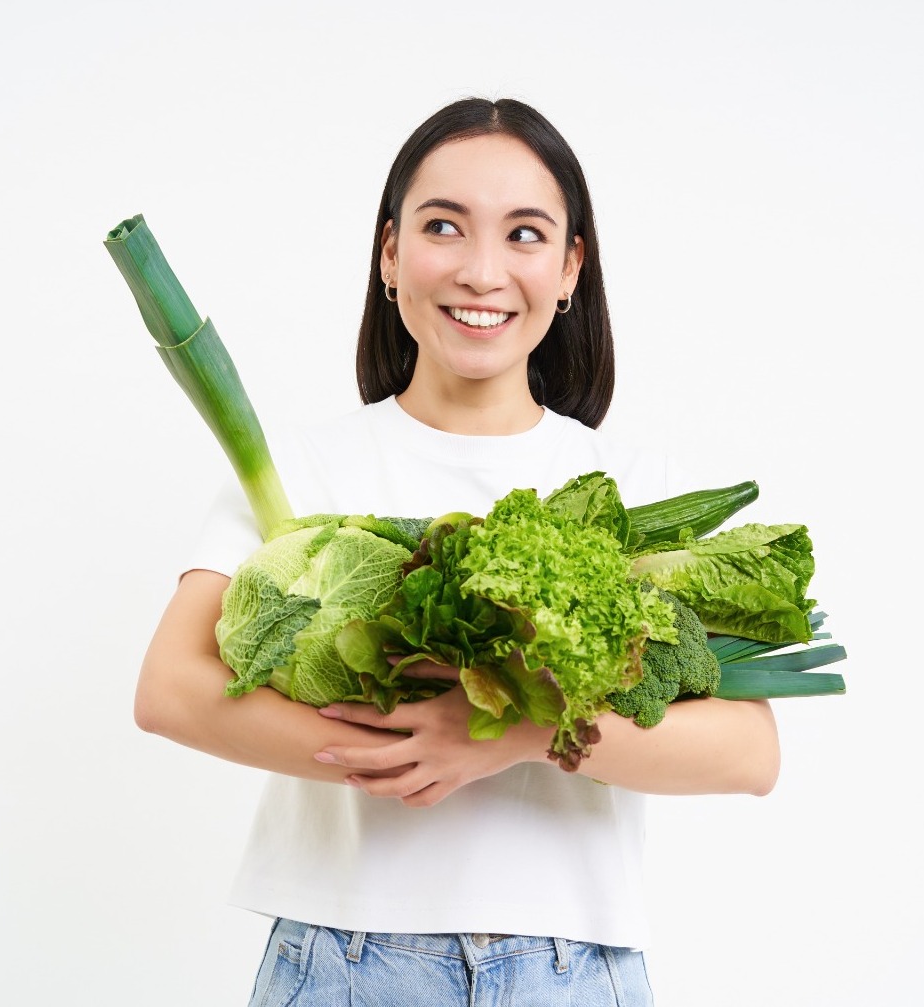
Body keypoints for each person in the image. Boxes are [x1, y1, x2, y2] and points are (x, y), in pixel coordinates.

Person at [135, 97, 780, 1007]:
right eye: (444, 226)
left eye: (525, 234)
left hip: (575, 973)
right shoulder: (300, 470)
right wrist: (418, 745)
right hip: (342, 961)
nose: (483, 271)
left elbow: (749, 750)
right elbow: (171, 690)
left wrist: (514, 733)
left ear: (569, 269)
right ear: (390, 254)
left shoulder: (630, 491)